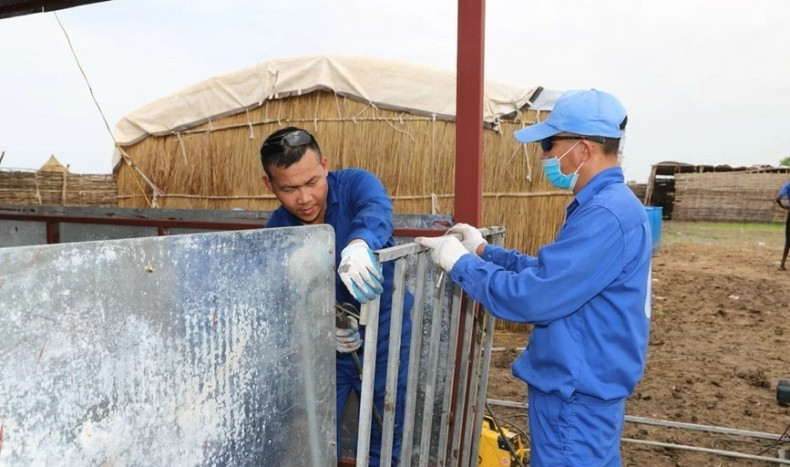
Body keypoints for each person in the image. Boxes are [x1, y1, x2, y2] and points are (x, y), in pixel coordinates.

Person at [416, 89, 652, 466]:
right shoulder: (609, 206)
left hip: (575, 398)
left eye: (549, 143)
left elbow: (536, 297)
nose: (544, 155)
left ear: (584, 149)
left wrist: (461, 265)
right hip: (584, 390)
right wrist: (483, 251)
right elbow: (554, 275)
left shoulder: (605, 215)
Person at [260, 127, 413, 466]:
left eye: (312, 182)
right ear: (269, 185)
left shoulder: (358, 184)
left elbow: (376, 209)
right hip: (326, 345)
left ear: (325, 165)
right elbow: (275, 300)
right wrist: (318, 323)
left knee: (386, 421)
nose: (304, 198)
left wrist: (360, 243)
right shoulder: (276, 232)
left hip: (385, 329)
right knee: (317, 426)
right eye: (289, 189)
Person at [776, 180, 790, 270]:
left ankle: (782, 265)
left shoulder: (788, 184)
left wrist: (783, 207)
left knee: (788, 238)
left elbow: (778, 199)